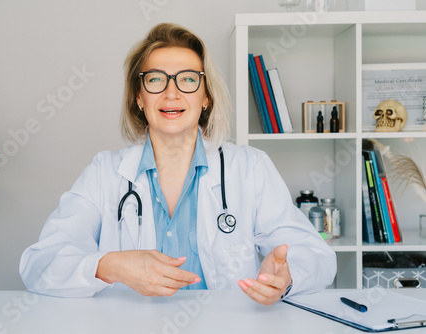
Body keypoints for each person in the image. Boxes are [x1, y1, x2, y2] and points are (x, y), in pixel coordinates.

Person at [19, 23, 336, 305]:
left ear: (206, 96)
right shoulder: (104, 173)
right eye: (155, 79)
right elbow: (39, 265)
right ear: (139, 98)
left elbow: (318, 256)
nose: (171, 93)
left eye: (187, 80)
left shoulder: (249, 168)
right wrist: (111, 265)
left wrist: (286, 276)